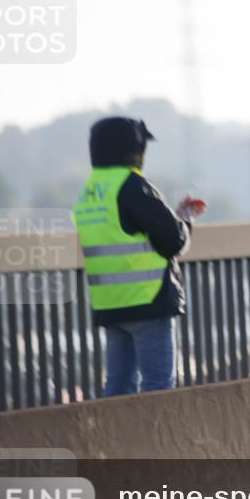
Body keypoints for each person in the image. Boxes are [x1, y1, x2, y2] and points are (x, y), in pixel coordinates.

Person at [73, 117, 206, 397]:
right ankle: (153, 442)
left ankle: (111, 440)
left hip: (110, 304)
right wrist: (185, 220)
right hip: (148, 299)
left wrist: (176, 217)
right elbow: (172, 241)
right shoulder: (132, 185)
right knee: (158, 388)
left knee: (119, 388)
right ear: (135, 149)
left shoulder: (90, 191)